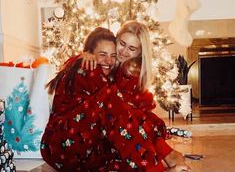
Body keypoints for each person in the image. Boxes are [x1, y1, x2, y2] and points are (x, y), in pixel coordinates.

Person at [41, 25, 190, 171]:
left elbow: (136, 115)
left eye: (131, 48)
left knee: (123, 153)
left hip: (84, 150)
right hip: (59, 146)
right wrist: (164, 150)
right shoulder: (87, 66)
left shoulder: (117, 73)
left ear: (139, 53)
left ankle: (157, 165)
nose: (122, 53)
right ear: (91, 52)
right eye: (122, 44)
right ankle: (159, 164)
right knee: (113, 101)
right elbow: (118, 108)